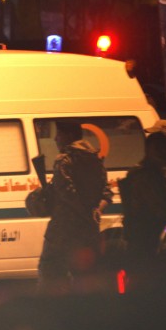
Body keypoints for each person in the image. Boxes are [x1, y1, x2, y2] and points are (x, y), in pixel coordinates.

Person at [37, 120, 112, 294]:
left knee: (51, 274)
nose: (55, 139)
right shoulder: (95, 158)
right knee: (85, 278)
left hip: (64, 229)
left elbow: (67, 193)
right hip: (89, 230)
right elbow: (106, 193)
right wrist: (96, 211)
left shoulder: (65, 159)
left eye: (59, 134)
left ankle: (55, 317)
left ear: (69, 136)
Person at [118, 132, 166, 260]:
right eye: (159, 148)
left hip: (145, 234)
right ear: (149, 150)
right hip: (147, 235)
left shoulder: (157, 172)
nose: (163, 152)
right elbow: (158, 207)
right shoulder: (146, 175)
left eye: (165, 148)